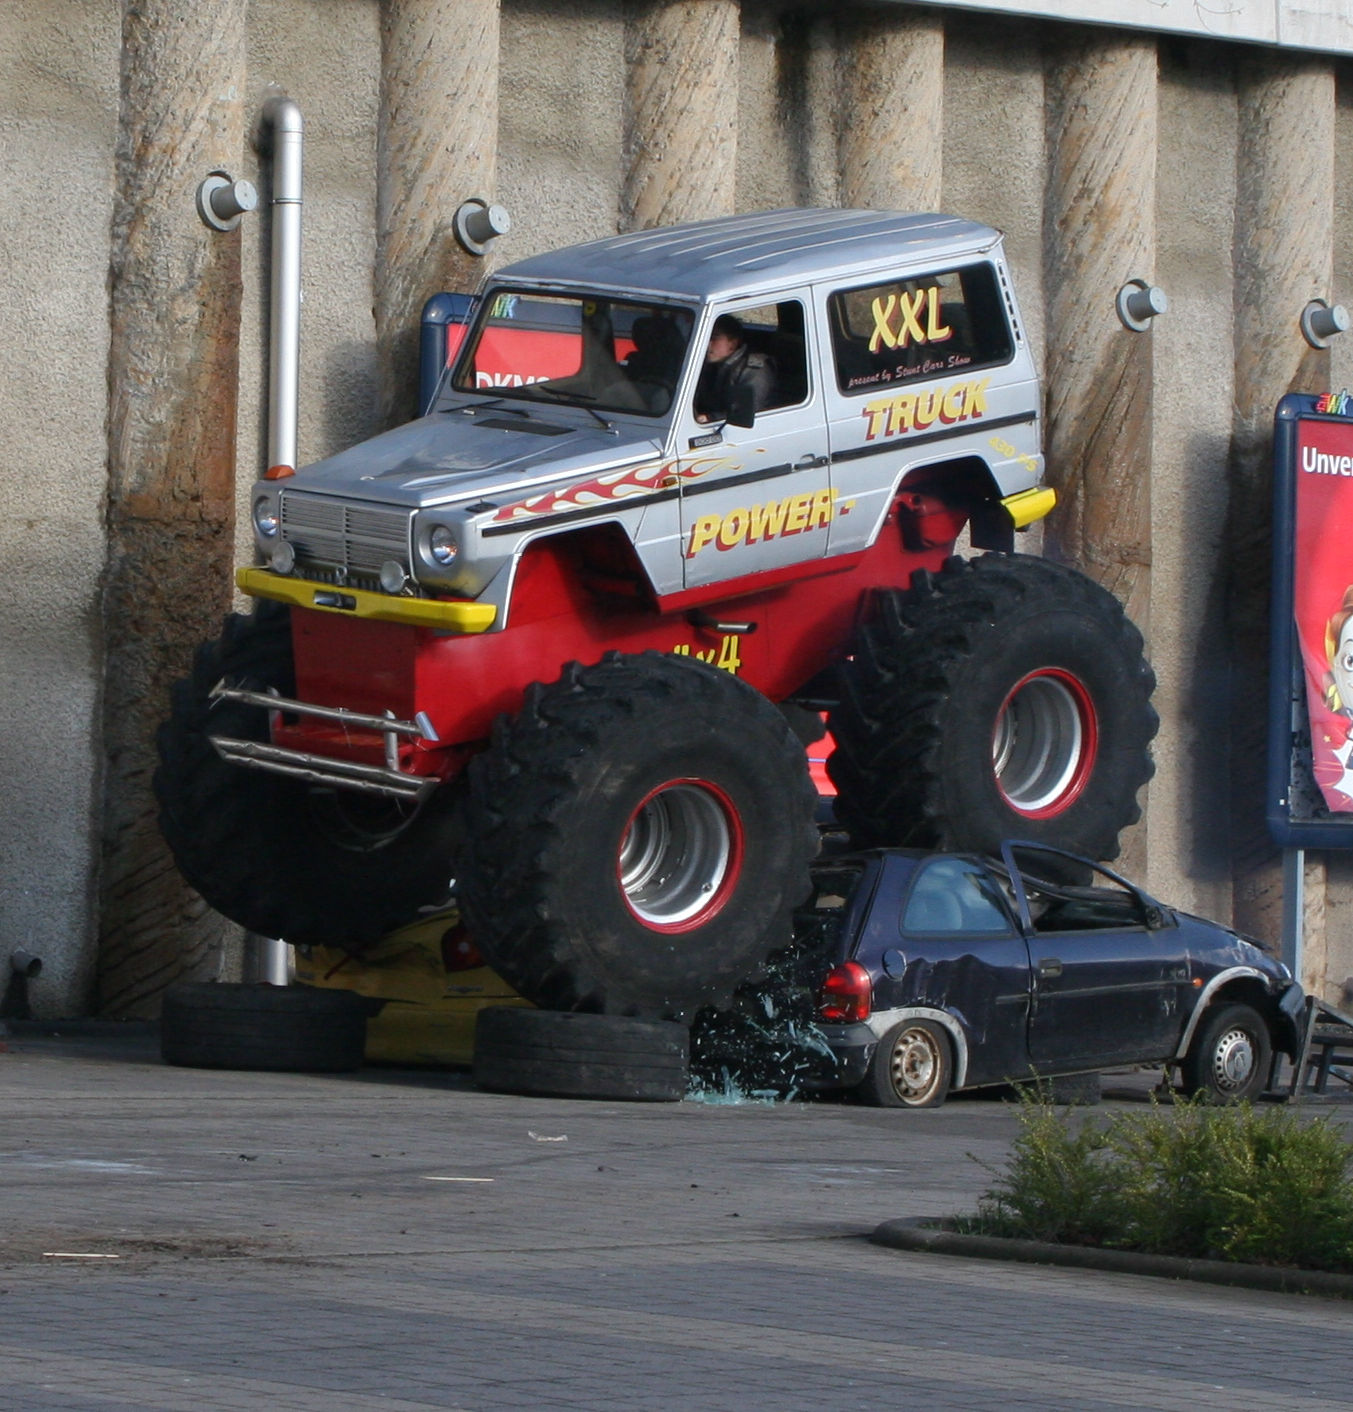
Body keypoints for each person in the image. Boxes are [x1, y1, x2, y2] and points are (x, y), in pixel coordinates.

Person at [694, 314, 777, 424]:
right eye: (705, 337)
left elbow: (748, 412)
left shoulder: (753, 371)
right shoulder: (703, 363)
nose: (707, 344)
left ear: (732, 344)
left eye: (714, 338)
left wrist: (711, 418)